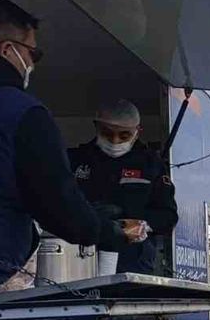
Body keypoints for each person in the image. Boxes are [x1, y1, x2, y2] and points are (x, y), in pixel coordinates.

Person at [0, 0, 140, 297]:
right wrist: (109, 230)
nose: (32, 64)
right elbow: (56, 204)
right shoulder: (22, 113)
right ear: (7, 50)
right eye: (34, 53)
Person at [69, 99, 178, 274]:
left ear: (137, 132)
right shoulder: (75, 160)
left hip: (132, 260)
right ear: (96, 127)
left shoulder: (151, 165)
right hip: (80, 255)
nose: (115, 140)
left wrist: (142, 224)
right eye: (107, 133)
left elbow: (168, 216)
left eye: (124, 135)